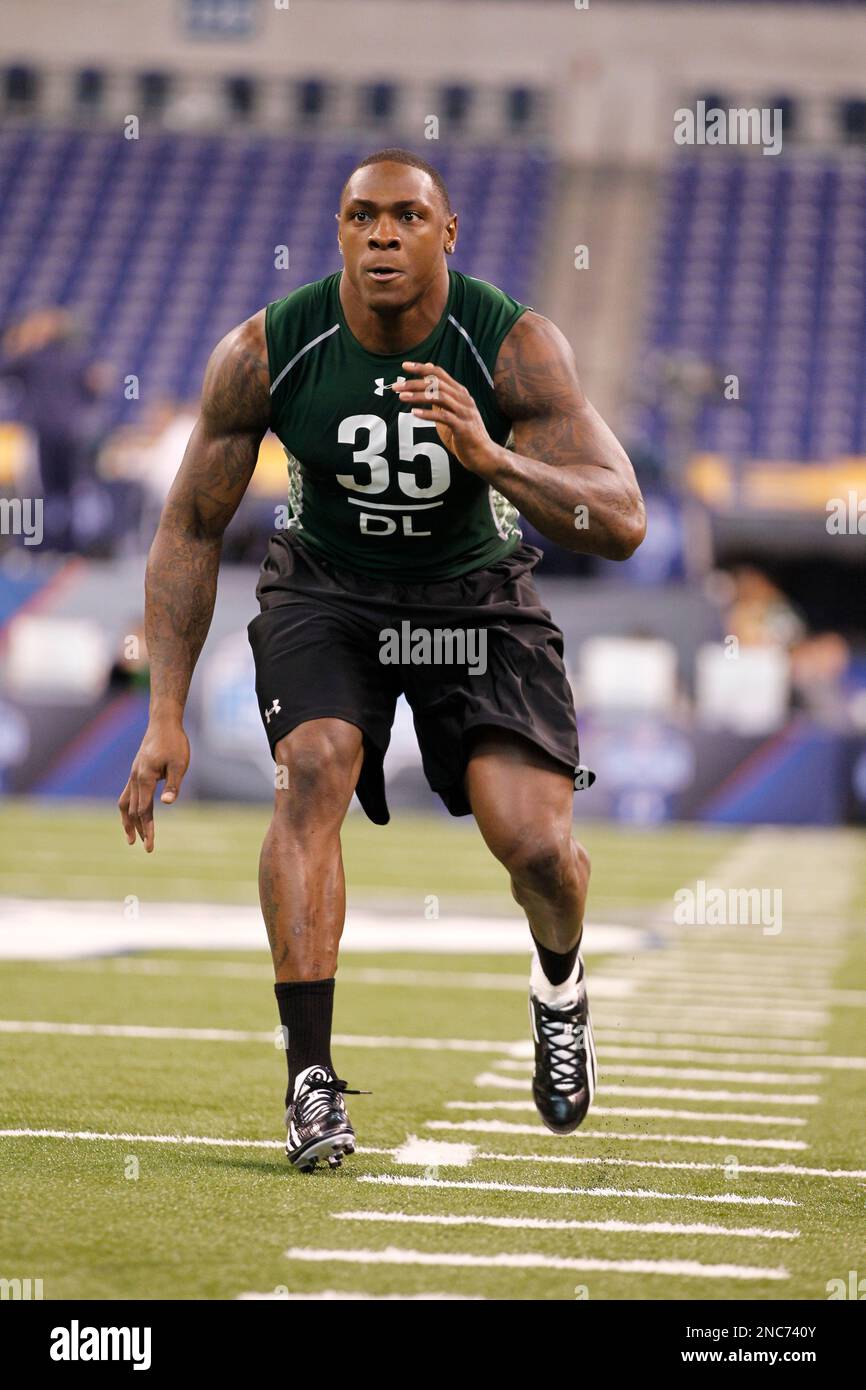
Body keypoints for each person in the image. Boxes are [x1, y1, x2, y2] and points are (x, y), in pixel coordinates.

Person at [118, 148, 646, 1172]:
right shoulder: (266, 349)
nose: (383, 236)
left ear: (446, 234)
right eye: (362, 216)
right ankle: (310, 1079)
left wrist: (491, 457)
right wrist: (164, 711)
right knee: (312, 763)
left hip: (474, 597)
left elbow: (618, 521)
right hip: (329, 592)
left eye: (407, 216)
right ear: (339, 231)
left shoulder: (513, 344)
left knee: (536, 848)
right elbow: (188, 524)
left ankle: (558, 987)